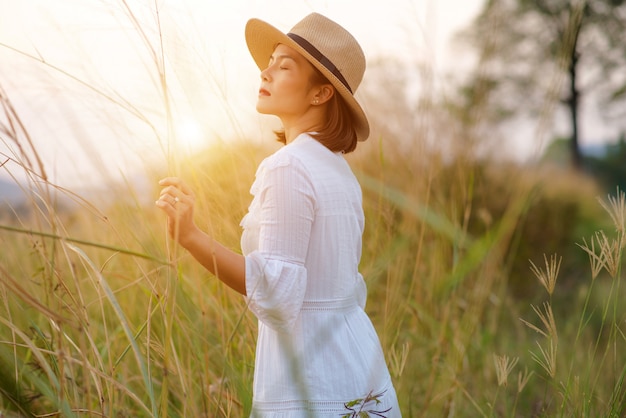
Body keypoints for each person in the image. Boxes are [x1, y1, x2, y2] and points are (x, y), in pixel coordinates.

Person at [156, 12, 401, 417]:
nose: (265, 72)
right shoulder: (336, 167)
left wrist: (191, 237)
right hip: (359, 366)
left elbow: (276, 291)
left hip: (311, 374)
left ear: (321, 94)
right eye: (269, 62)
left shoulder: (289, 165)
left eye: (284, 66)